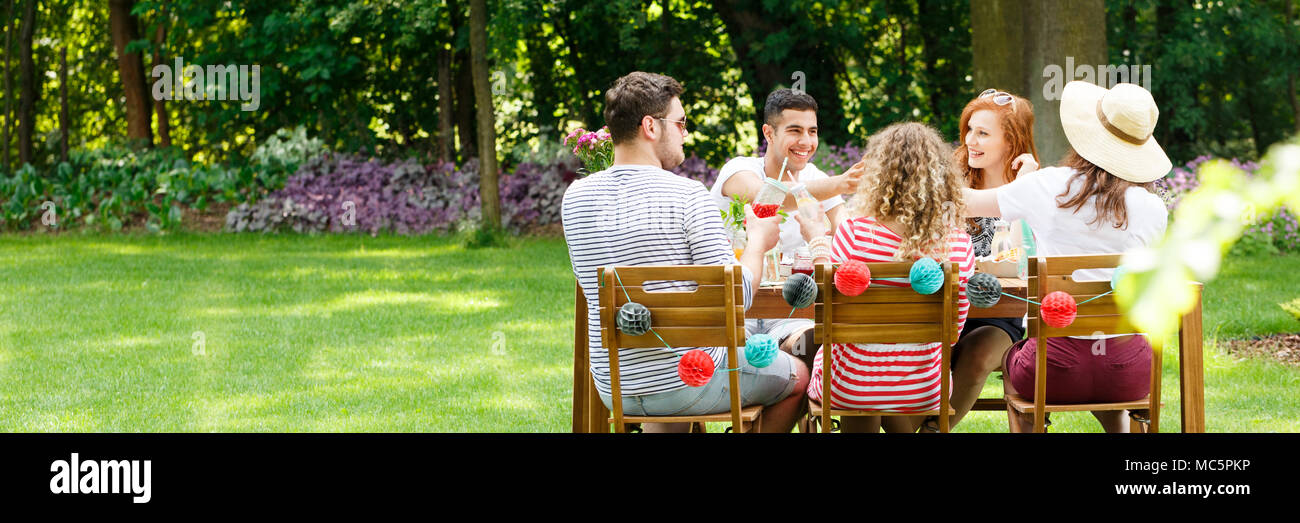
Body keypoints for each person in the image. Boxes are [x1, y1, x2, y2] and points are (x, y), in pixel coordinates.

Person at [561, 72, 811, 433]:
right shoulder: (688, 196)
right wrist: (757, 242)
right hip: (689, 378)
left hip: (615, 386)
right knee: (799, 376)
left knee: (672, 381)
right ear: (650, 126)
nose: (686, 133)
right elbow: (734, 298)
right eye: (680, 123)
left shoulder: (576, 199)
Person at [962, 81, 1171, 433]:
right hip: (1129, 371)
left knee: (1017, 359)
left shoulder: (1047, 185)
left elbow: (966, 202)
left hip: (1053, 371)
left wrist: (1023, 183)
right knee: (1100, 364)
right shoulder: (1154, 208)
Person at [798, 122, 975, 433]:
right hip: (922, 387)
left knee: (860, 376)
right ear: (942, 176)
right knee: (883, 382)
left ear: (878, 175)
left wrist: (816, 239)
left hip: (849, 385)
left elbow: (826, 311)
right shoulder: (958, 244)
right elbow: (952, 333)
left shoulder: (854, 235)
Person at [710, 88, 866, 362]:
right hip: (738, 309)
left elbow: (847, 233)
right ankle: (775, 364)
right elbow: (767, 198)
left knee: (809, 342)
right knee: (750, 351)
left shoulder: (817, 178)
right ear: (769, 133)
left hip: (791, 311)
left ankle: (789, 357)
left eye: (812, 131)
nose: (805, 141)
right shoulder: (739, 170)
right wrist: (839, 184)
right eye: (795, 131)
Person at [947, 88, 1041, 429]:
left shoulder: (1034, 185)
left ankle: (932, 429)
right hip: (942, 304)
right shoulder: (951, 180)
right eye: (969, 130)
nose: (971, 140)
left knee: (979, 355)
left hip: (1000, 314)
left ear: (1011, 139)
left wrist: (1024, 189)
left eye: (983, 133)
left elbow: (1019, 260)